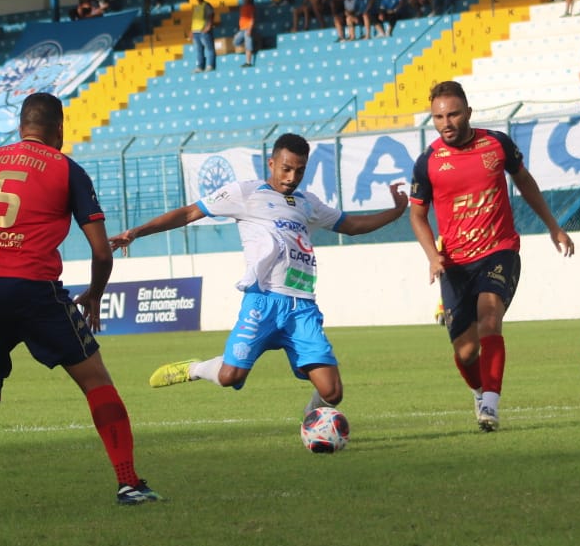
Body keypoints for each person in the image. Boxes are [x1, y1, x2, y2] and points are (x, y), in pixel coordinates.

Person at [0, 93, 159, 507]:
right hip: (32, 289)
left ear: (20, 128)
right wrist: (95, 295)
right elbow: (102, 252)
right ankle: (128, 483)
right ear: (60, 129)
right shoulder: (69, 171)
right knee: (96, 381)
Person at [126, 134, 408, 421]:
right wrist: (137, 232)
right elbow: (188, 213)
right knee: (229, 376)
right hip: (263, 302)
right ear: (272, 163)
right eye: (286, 168)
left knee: (332, 393)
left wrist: (396, 211)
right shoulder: (245, 193)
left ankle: (312, 420)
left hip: (302, 307)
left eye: (299, 170)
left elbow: (352, 225)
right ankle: (195, 369)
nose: (291, 176)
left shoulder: (307, 203)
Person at [408, 81, 576, 432]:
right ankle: (479, 390)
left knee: (489, 318)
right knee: (466, 353)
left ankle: (491, 405)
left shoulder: (496, 144)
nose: (446, 122)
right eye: (438, 116)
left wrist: (553, 226)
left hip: (499, 250)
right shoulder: (428, 162)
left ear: (468, 112)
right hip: (454, 263)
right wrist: (432, 255)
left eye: (453, 114)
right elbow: (418, 215)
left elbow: (525, 181)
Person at [189, 0, 215, 73]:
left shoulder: (206, 5)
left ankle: (210, 65)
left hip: (203, 30)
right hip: (196, 31)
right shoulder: (196, 7)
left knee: (209, 48)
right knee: (199, 49)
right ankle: (200, 66)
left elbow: (211, 15)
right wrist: (191, 31)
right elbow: (194, 20)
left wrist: (208, 26)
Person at [232, 0, 258, 67]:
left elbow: (252, 18)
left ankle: (248, 62)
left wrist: (250, 28)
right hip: (242, 29)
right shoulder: (242, 7)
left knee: (248, 45)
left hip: (247, 28)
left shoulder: (251, 7)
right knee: (235, 41)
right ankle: (247, 52)